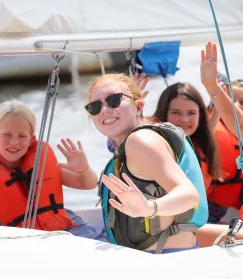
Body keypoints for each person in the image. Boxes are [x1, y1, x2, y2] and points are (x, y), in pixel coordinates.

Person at [85, 73, 208, 254]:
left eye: (114, 100)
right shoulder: (135, 142)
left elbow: (189, 195)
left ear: (139, 106)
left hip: (162, 260)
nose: (104, 110)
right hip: (166, 257)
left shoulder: (140, 141)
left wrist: (149, 208)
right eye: (95, 106)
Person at [0, 99, 106, 241]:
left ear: (31, 139)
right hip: (25, 240)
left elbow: (88, 184)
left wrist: (83, 169)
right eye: (7, 135)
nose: (14, 142)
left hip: (70, 229)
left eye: (22, 136)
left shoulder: (40, 163)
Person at [200, 42, 243, 219]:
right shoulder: (205, 123)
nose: (237, 105)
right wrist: (212, 87)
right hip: (211, 204)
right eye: (232, 99)